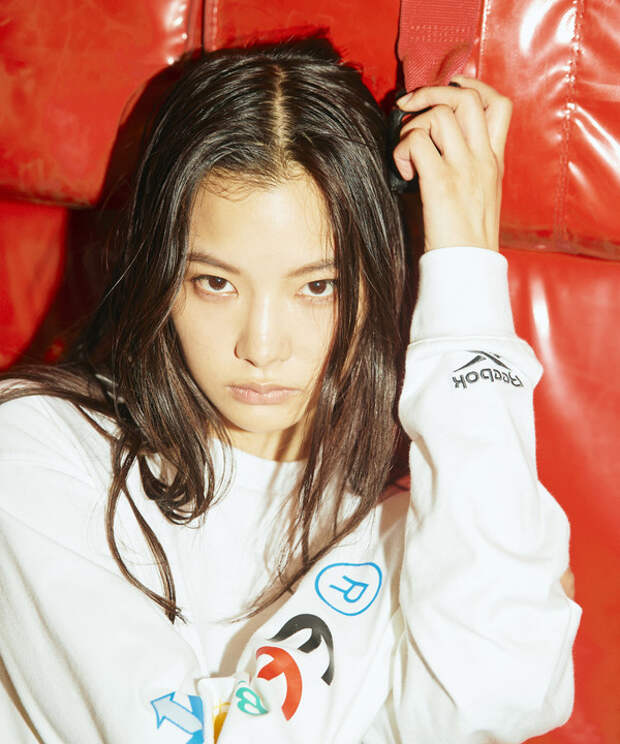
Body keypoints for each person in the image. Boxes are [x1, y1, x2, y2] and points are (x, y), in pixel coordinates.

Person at [0, 37, 581, 743]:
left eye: (317, 287)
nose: (262, 346)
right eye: (215, 282)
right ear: (161, 277)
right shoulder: (36, 448)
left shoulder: (420, 523)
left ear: (371, 288)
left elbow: (500, 701)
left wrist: (466, 276)